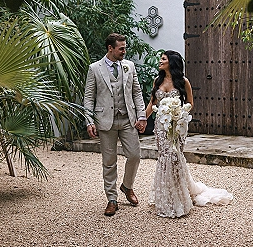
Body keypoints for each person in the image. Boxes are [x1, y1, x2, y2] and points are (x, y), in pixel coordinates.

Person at [145, 50, 233, 218]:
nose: (160, 61)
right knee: (164, 157)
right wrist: (142, 119)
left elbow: (190, 103)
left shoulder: (183, 82)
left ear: (171, 62)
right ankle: (165, 196)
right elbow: (153, 102)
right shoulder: (158, 80)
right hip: (161, 127)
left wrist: (177, 112)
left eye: (163, 59)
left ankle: (178, 197)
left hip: (177, 126)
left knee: (175, 156)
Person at [84, 33, 147, 217]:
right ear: (110, 48)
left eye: (125, 47)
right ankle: (112, 199)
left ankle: (127, 187)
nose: (124, 51)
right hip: (105, 121)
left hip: (127, 119)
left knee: (135, 155)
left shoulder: (129, 66)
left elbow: (137, 93)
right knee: (109, 162)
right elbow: (89, 97)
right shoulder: (95, 69)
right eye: (121, 48)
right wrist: (89, 120)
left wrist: (141, 116)